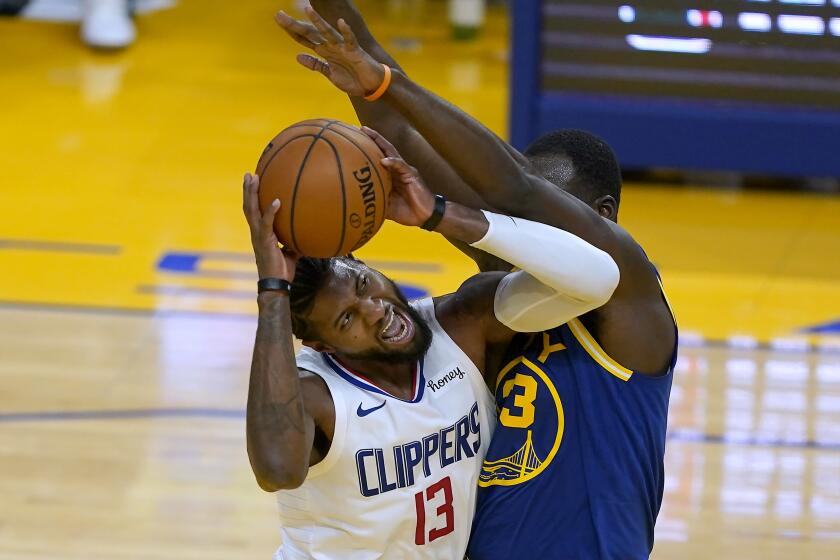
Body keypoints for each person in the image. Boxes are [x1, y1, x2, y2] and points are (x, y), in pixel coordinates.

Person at [275, 4, 677, 559]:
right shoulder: (506, 279)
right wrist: (359, 57)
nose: (525, 225)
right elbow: (401, 138)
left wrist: (390, 83)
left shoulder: (633, 293)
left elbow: (515, 190)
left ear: (602, 216)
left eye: (553, 207)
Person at [242, 131, 620, 558]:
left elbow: (599, 278)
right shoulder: (315, 394)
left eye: (365, 284)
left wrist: (439, 213)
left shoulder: (461, 324)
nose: (375, 310)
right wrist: (272, 291)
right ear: (321, 344)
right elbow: (275, 468)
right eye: (347, 319)